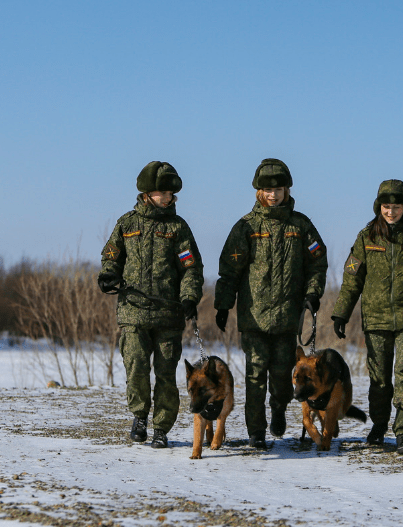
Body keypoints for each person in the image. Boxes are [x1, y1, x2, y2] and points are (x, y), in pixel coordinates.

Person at [214, 158, 328, 449]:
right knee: (254, 378)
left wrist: (313, 293)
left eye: (278, 189)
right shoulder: (246, 227)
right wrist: (223, 305)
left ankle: (278, 409)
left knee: (280, 379)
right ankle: (257, 433)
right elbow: (229, 270)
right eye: (267, 189)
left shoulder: (301, 226)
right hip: (253, 318)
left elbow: (318, 264)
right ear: (259, 192)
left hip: (288, 319)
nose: (273, 194)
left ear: (287, 190)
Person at [331, 179, 403, 455]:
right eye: (386, 206)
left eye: (396, 207)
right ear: (379, 207)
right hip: (376, 320)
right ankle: (379, 426)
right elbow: (352, 280)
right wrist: (341, 313)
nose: (391, 212)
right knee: (380, 379)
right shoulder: (366, 237)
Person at [98, 161, 203, 448]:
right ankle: (140, 417)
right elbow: (111, 256)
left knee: (166, 374)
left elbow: (190, 268)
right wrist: (108, 275)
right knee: (136, 366)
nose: (168, 197)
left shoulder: (178, 228)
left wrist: (190, 297)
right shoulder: (126, 224)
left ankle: (162, 428)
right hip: (132, 312)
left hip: (169, 314)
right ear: (147, 194)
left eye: (171, 193)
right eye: (163, 192)